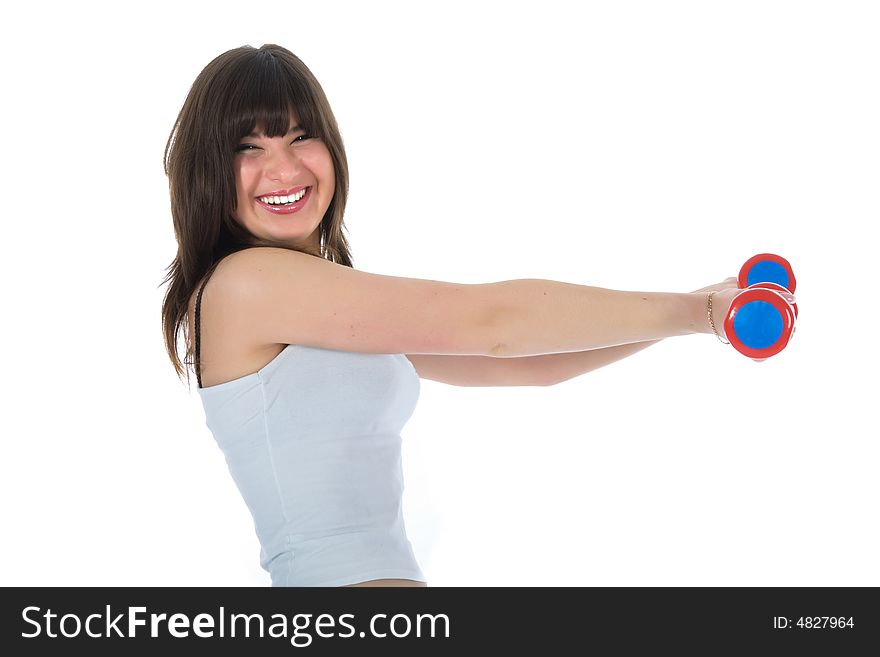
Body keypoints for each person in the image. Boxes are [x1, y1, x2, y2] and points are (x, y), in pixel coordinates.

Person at [160, 43, 744, 587]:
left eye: (300, 138)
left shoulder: (319, 304)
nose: (284, 169)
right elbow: (491, 323)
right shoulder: (247, 283)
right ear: (208, 172)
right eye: (249, 148)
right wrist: (704, 311)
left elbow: (530, 365)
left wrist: (698, 313)